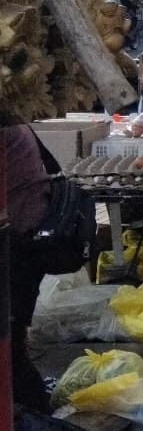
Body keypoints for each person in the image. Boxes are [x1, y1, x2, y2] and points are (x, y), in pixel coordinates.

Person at [4, 122, 54, 412]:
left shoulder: (6, 127)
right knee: (14, 342)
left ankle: (37, 425)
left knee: (10, 351)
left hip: (17, 242)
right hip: (25, 234)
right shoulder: (12, 119)